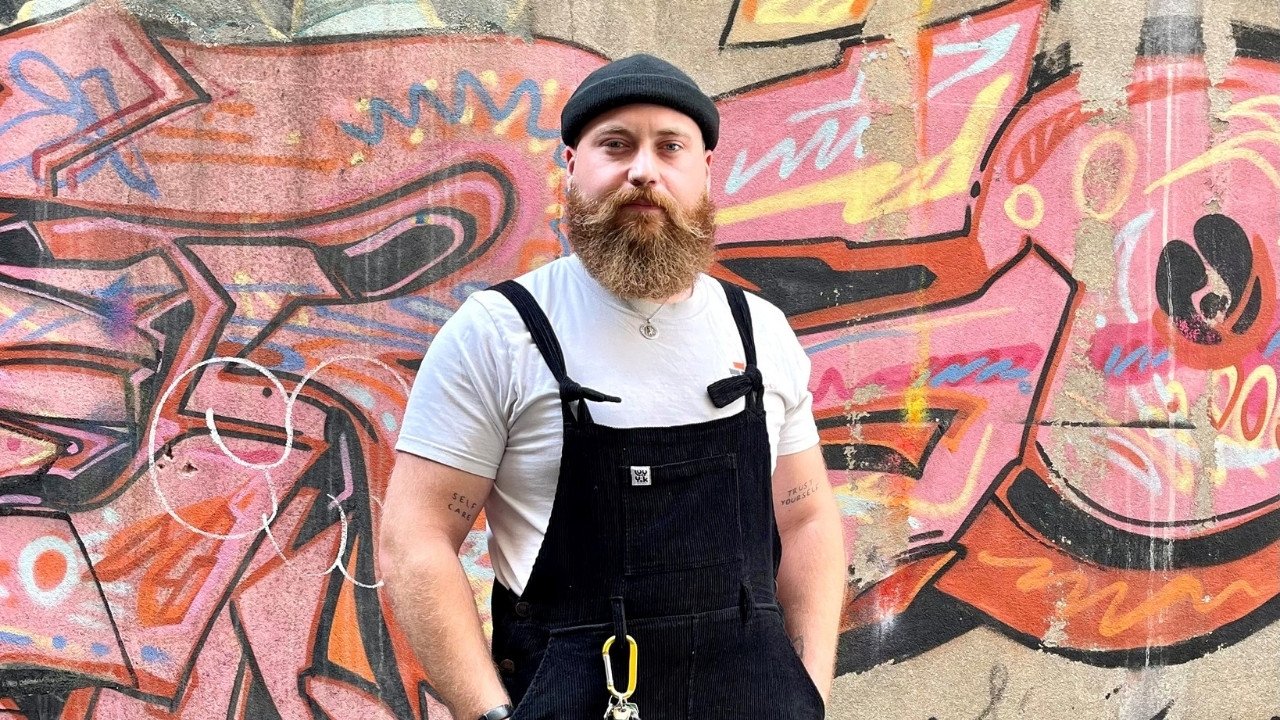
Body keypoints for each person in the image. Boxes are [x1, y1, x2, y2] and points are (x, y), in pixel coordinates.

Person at [379, 54, 845, 720]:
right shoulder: (499, 334)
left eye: (670, 147)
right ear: (573, 165)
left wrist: (809, 692)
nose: (643, 171)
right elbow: (414, 539)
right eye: (616, 145)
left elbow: (805, 520)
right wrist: (487, 714)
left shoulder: (760, 335)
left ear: (705, 171)